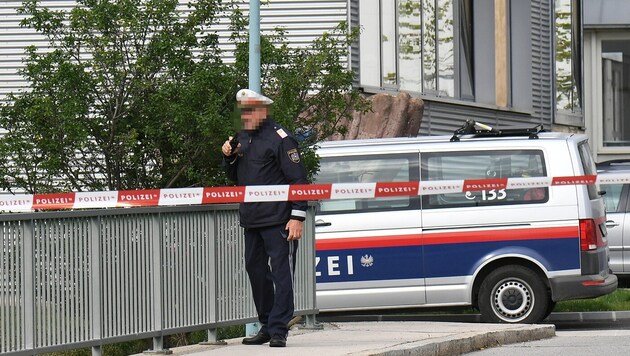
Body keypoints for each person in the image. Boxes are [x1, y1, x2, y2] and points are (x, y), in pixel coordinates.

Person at [221, 88, 308, 348]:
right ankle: (267, 324)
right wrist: (227, 157)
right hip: (252, 218)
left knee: (282, 274)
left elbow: (298, 180)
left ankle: (279, 329)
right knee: (255, 270)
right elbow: (235, 177)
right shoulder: (242, 137)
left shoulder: (281, 139)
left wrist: (297, 216)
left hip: (279, 219)